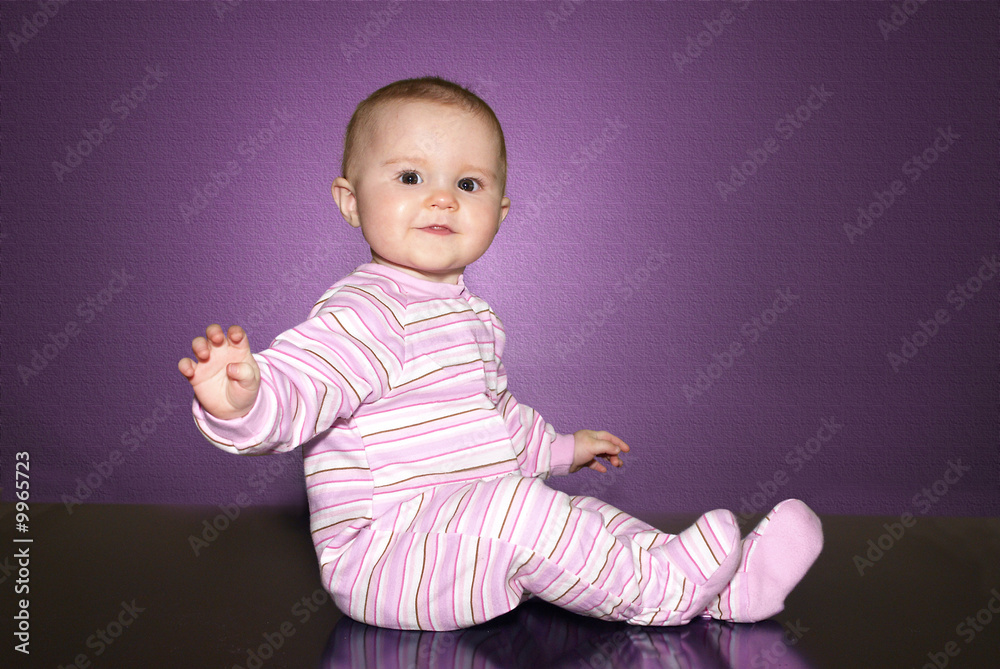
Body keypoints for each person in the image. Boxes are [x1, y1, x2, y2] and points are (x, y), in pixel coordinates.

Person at [178, 76, 822, 631]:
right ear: (350, 201)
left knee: (575, 514)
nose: (441, 198)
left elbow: (494, 420)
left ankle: (726, 592)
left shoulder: (473, 316)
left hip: (467, 538)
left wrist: (565, 448)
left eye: (468, 182)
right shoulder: (366, 311)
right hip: (387, 561)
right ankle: (665, 594)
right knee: (523, 511)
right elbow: (303, 383)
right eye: (409, 176)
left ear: (500, 212)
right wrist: (246, 401)